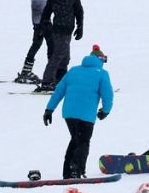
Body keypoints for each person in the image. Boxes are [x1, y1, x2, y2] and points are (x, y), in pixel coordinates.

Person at [43, 44, 114, 179]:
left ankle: (67, 172)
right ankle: (76, 170)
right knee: (83, 141)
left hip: (69, 113)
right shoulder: (102, 74)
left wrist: (49, 109)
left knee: (76, 139)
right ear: (100, 59)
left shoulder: (74, 71)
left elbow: (59, 90)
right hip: (86, 114)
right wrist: (105, 111)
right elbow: (108, 95)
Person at [35, 0, 84, 92]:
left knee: (65, 57)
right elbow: (46, 13)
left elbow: (79, 11)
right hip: (57, 31)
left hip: (68, 31)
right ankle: (47, 82)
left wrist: (80, 27)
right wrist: (43, 25)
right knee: (57, 56)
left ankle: (60, 80)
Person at [15, 0, 55, 84]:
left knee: (37, 44)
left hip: (41, 22)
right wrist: (44, 19)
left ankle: (26, 71)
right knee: (51, 45)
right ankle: (52, 74)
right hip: (43, 22)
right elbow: (37, 5)